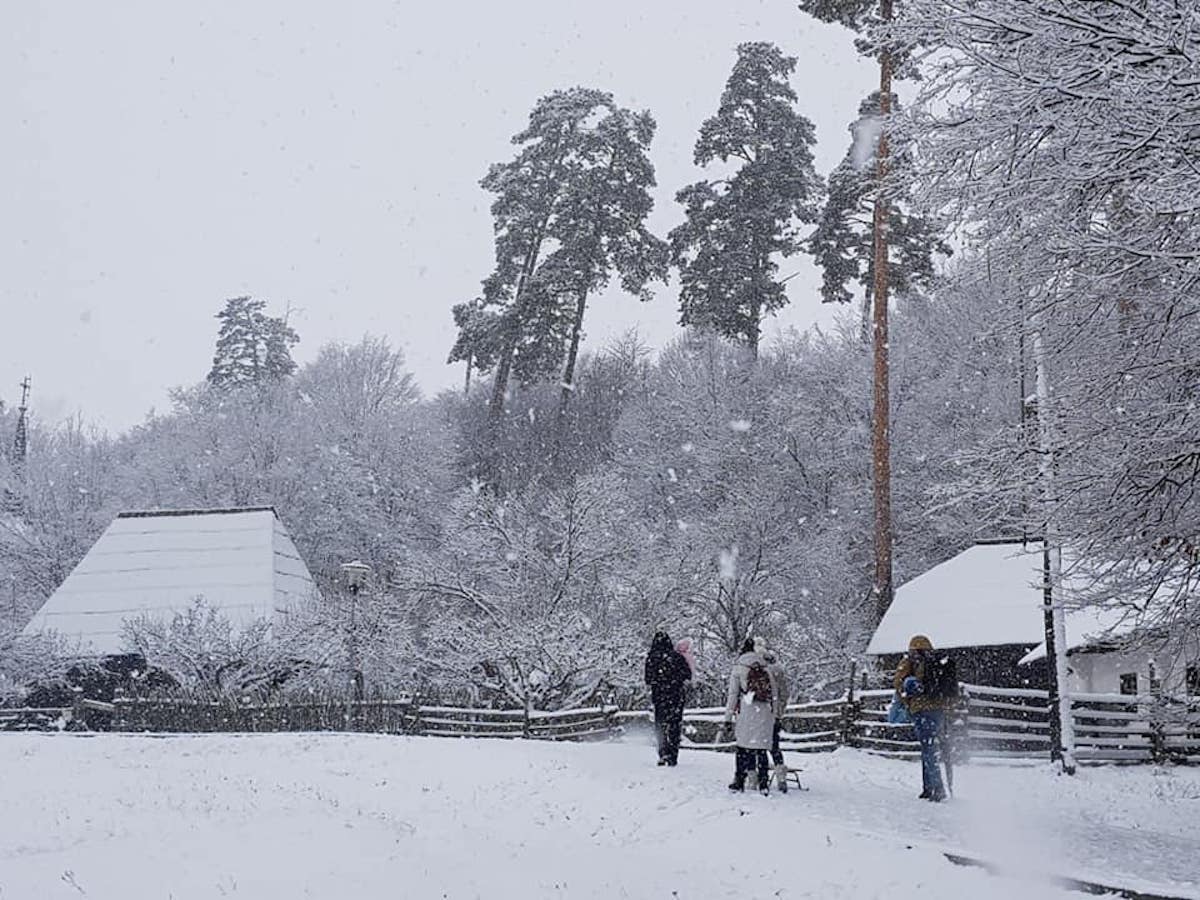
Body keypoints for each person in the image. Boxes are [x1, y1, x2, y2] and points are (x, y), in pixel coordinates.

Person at [894, 634, 953, 802]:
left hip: (922, 710)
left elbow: (898, 682)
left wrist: (907, 701)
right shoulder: (937, 662)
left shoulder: (915, 662)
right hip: (939, 710)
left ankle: (936, 789)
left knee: (928, 751)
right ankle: (929, 788)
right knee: (931, 749)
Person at [721, 638, 780, 794]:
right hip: (764, 712)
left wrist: (727, 718)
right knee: (761, 749)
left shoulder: (739, 667)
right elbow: (774, 694)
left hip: (746, 710)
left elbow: (733, 695)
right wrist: (774, 715)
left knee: (742, 747)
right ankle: (763, 783)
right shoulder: (765, 667)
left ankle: (739, 780)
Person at [644, 630, 692, 766]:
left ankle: (662, 752)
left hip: (659, 697)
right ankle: (673, 754)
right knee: (674, 724)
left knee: (660, 724)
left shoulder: (652, 658)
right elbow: (687, 675)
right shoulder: (677, 657)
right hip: (676, 696)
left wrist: (659, 681)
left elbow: (648, 679)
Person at [758, 642, 790, 794]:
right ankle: (780, 775)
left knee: (759, 747)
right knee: (774, 745)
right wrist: (779, 711)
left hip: (759, 714)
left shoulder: (759, 671)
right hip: (774, 714)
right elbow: (784, 694)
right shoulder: (778, 671)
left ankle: (760, 778)